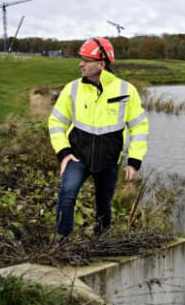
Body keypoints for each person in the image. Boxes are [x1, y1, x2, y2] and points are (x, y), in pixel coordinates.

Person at [47, 37, 149, 242]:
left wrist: (134, 161)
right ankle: (61, 243)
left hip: (109, 160)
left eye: (86, 60)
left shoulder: (125, 90)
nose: (81, 64)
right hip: (78, 157)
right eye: (81, 59)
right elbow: (56, 122)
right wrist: (64, 152)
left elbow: (138, 126)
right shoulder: (72, 89)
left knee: (104, 204)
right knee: (67, 194)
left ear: (102, 64)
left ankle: (100, 241)